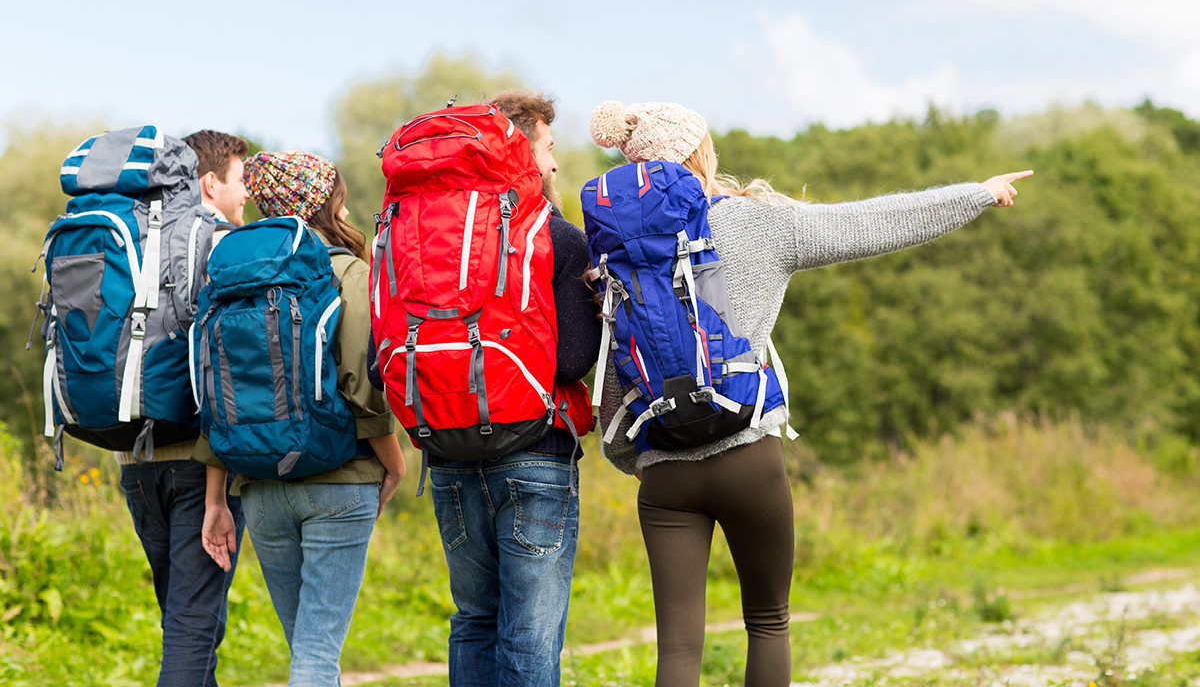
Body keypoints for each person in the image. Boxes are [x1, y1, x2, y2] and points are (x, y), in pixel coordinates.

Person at [588, 99, 1032, 687]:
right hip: (748, 455)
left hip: (663, 469)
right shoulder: (756, 222)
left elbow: (613, 374)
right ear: (702, 153)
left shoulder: (612, 255)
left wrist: (640, 460)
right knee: (769, 622)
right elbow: (870, 223)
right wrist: (975, 194)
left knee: (678, 650)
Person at [196, 151, 404, 686]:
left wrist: (216, 500)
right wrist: (394, 462)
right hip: (340, 480)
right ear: (329, 200)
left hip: (259, 487)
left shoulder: (232, 273)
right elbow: (362, 382)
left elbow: (217, 394)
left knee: (305, 653)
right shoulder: (346, 270)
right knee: (316, 659)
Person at [425, 90, 602, 686]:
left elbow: (385, 361)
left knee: (473, 619)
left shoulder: (426, 235)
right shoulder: (558, 236)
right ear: (523, 149)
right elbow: (574, 359)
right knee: (529, 634)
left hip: (446, 447)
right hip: (535, 451)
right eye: (548, 148)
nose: (553, 164)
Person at [115, 129, 249, 687]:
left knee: (187, 621)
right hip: (197, 460)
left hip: (131, 458)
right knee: (194, 627)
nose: (246, 194)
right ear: (209, 182)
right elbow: (229, 366)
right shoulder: (218, 243)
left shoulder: (131, 236)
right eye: (240, 181)